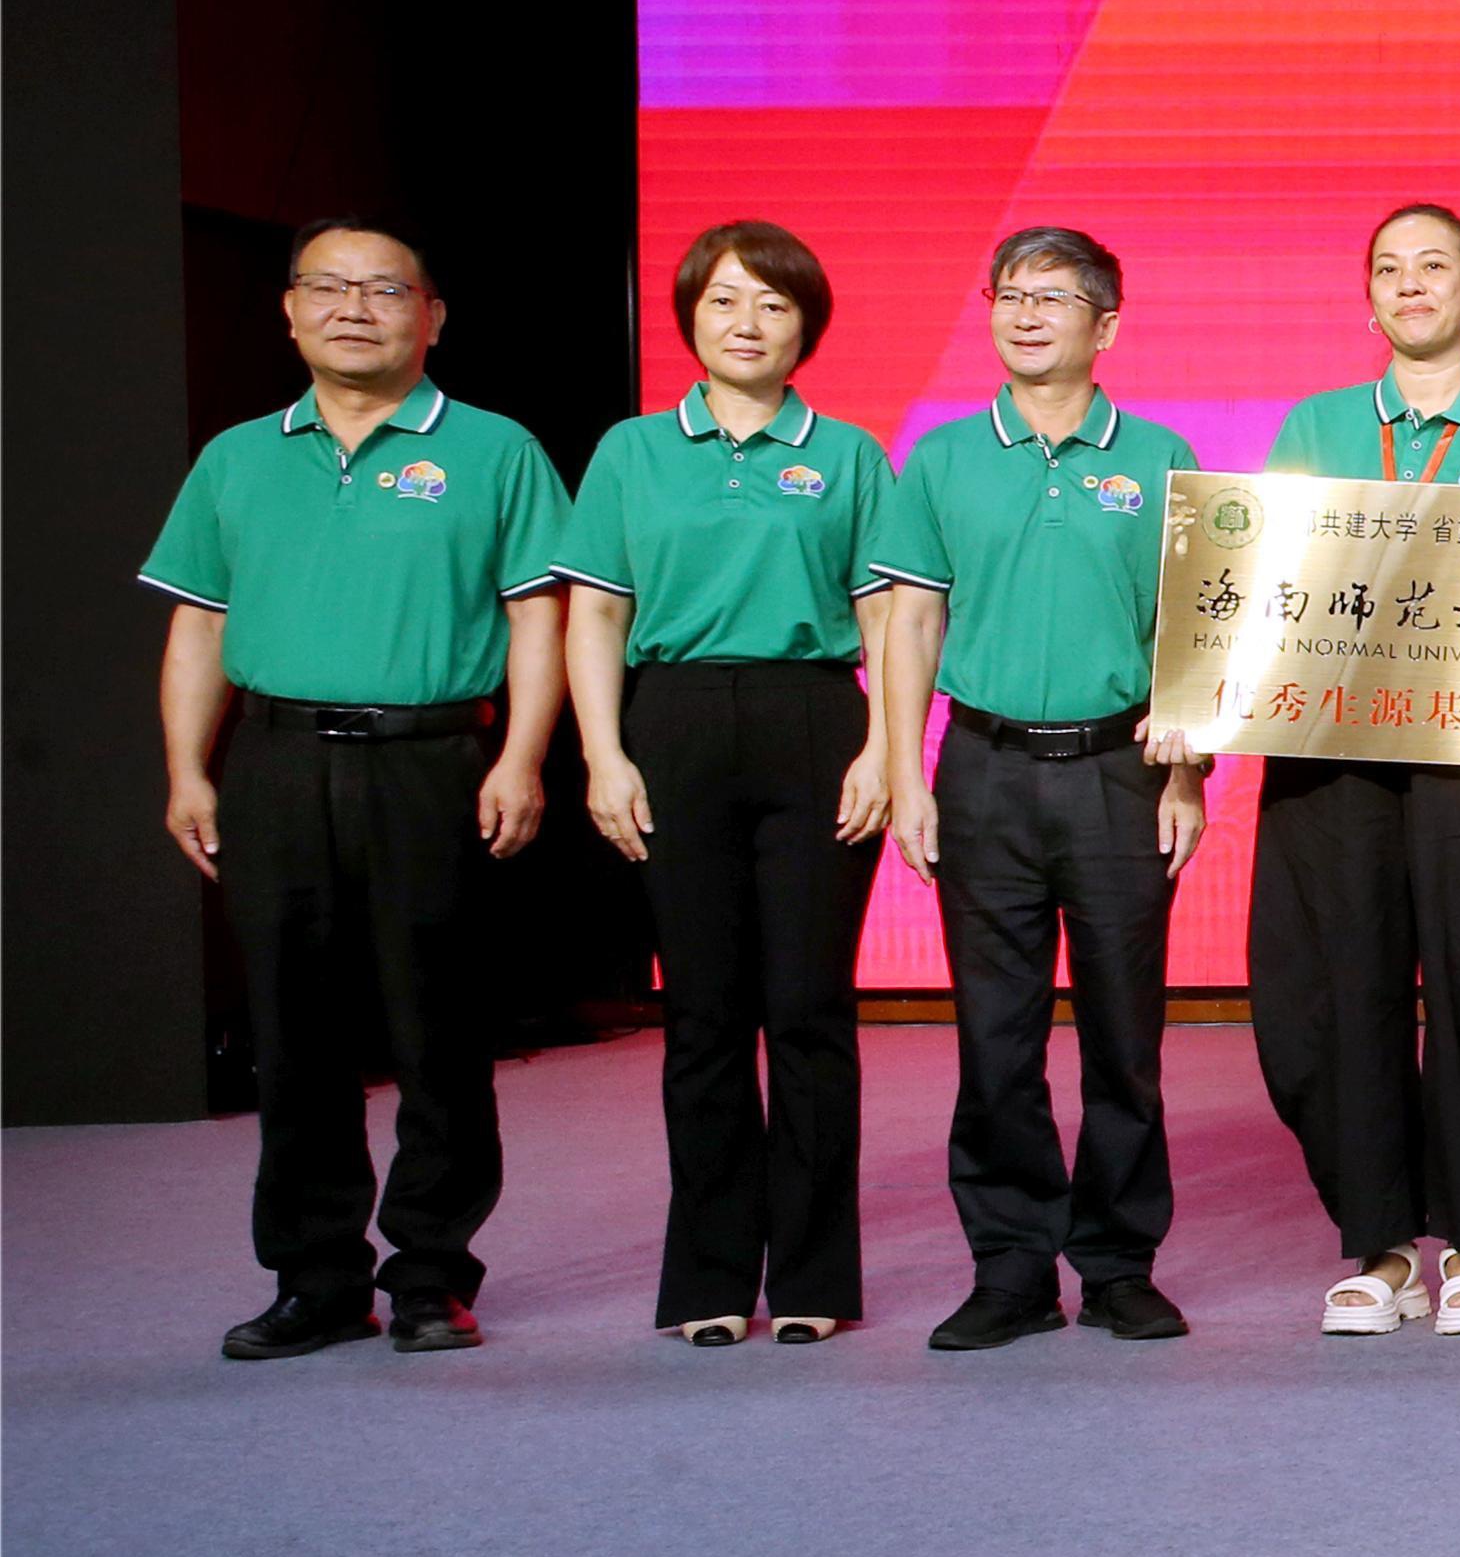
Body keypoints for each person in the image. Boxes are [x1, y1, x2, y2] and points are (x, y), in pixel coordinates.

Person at [143, 219, 573, 1360]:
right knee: (293, 1033)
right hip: (275, 763)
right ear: (289, 311)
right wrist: (188, 767)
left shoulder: (494, 449)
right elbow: (200, 625)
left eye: (384, 289)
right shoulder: (237, 456)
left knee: (440, 1028)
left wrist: (523, 757)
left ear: (432, 317)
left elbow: (539, 615)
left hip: (430, 762)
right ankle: (317, 1277)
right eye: (327, 287)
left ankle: (432, 1272)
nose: (353, 308)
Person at [865, 226, 1212, 1352]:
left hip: (1121, 772)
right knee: (995, 1039)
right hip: (983, 771)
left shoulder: (1160, 455)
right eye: (1008, 293)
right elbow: (912, 620)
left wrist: (1187, 775)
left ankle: (1118, 1265)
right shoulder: (943, 458)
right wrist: (905, 770)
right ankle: (1011, 1269)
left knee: (1125, 1039)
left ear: (1106, 325)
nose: (1024, 313)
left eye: (1053, 297)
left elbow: (1191, 628)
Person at [552, 222, 896, 1346]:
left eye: (773, 304)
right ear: (689, 318)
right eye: (723, 302)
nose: (747, 324)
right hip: (673, 721)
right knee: (702, 1014)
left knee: (808, 1009)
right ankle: (706, 1279)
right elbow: (596, 612)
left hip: (815, 719)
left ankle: (811, 1277)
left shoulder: (848, 454)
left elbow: (885, 614)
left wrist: (885, 747)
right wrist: (604, 753)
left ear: (808, 327)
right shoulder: (632, 450)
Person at [1249, 204, 1460, 1338]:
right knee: (1333, 990)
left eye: (1433, 266)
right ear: (1368, 298)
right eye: (1387, 269)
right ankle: (1383, 1246)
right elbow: (1264, 584)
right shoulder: (1318, 424)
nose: (1409, 284)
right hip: (1332, 754)